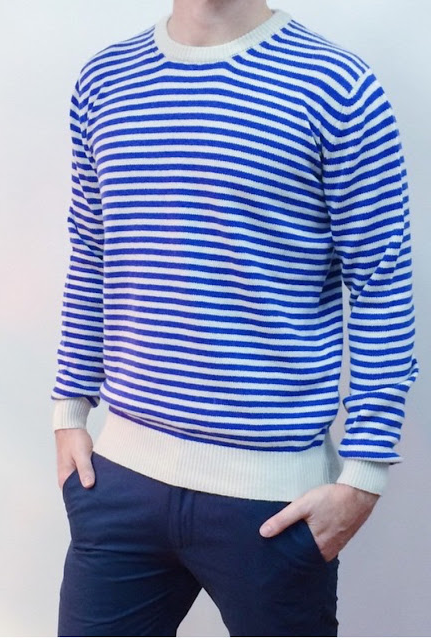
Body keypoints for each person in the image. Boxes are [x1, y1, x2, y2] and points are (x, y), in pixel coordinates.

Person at [50, 0, 419, 636]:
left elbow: (382, 282)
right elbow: (92, 249)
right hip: (121, 482)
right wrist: (69, 410)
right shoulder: (104, 80)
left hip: (272, 505)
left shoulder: (336, 85)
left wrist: (364, 476)